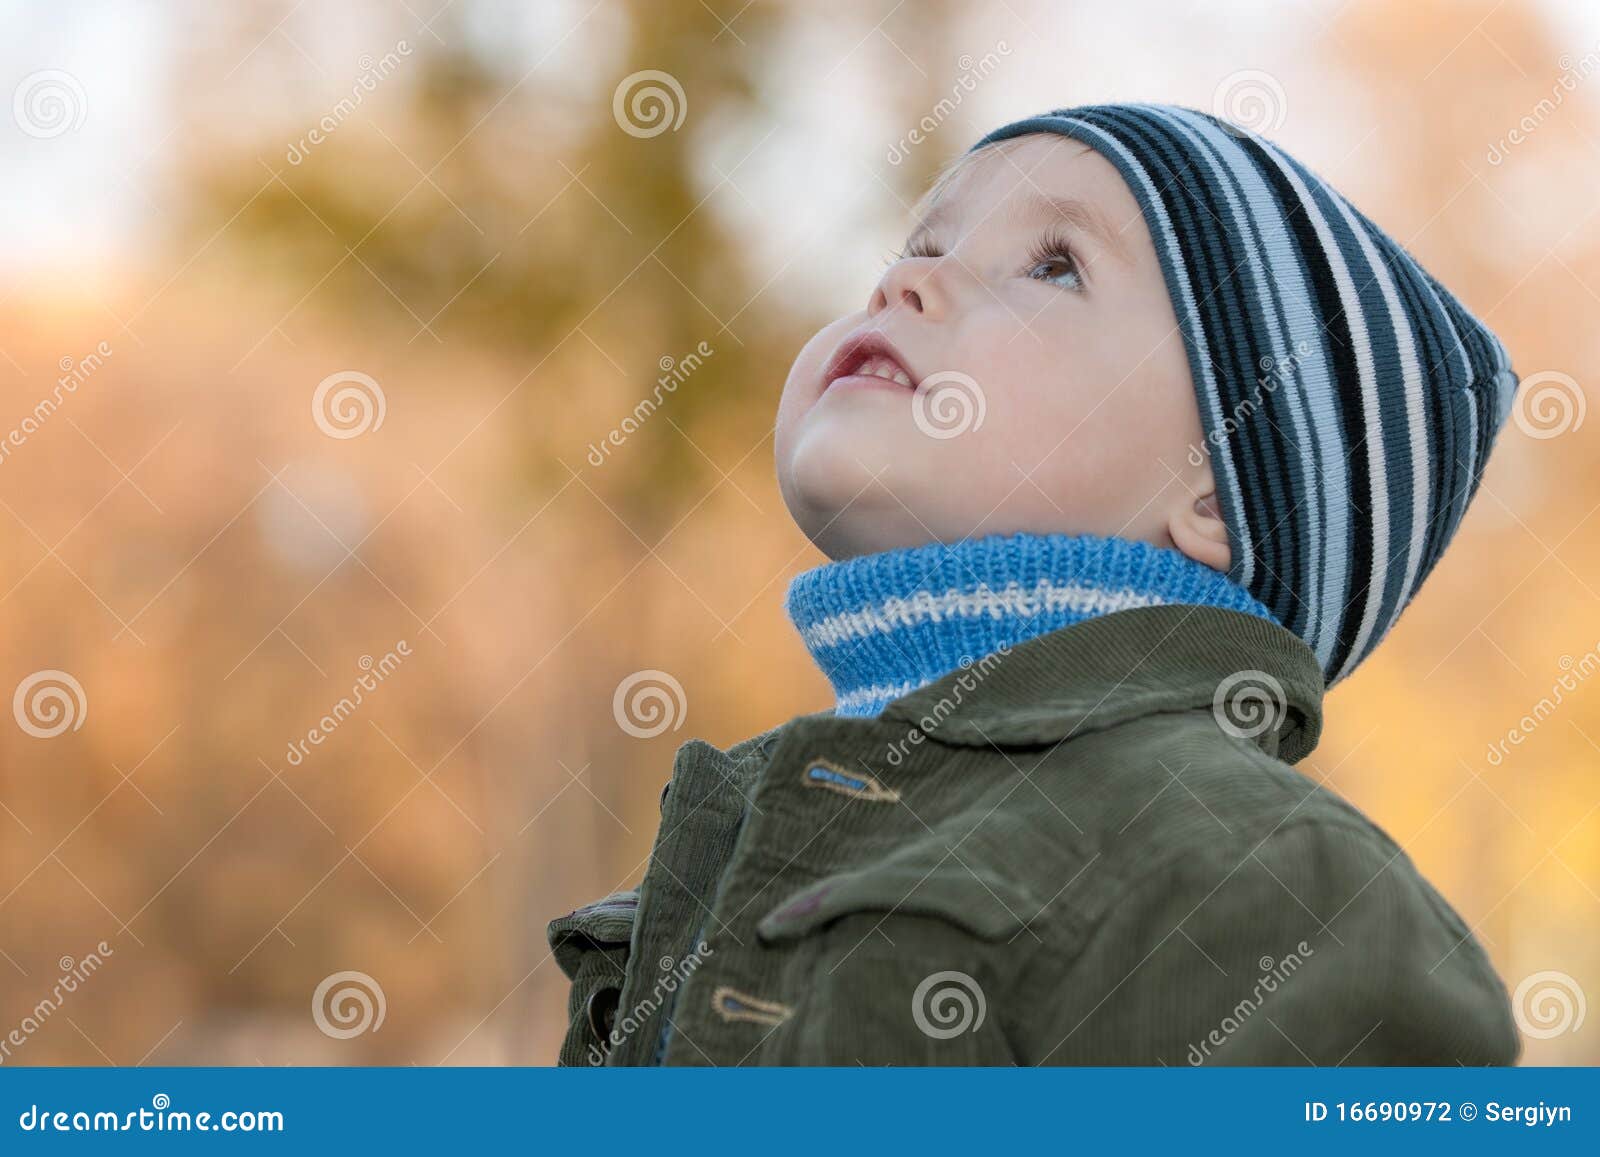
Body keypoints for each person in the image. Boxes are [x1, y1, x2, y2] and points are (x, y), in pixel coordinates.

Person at [548, 102, 1524, 1066]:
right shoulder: (755, 805)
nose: (908, 279)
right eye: (920, 243)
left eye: (1052, 264)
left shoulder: (1264, 875)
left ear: (1221, 500)